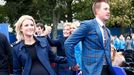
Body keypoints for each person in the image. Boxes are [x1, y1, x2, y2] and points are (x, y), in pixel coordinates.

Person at [64, 1, 116, 75]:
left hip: (107, 70)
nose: (108, 11)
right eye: (105, 9)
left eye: (109, 9)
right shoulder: (88, 25)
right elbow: (68, 43)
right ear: (97, 11)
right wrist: (73, 63)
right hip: (92, 71)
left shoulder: (107, 31)